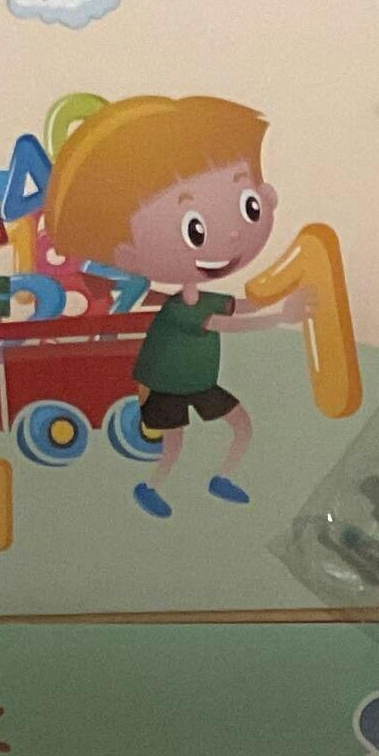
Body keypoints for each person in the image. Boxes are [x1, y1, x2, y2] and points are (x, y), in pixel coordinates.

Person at [37, 91, 316, 518]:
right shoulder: (180, 307)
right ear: (127, 254)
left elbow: (236, 307)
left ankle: (222, 477)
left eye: (249, 204)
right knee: (174, 444)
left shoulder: (202, 295)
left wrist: (282, 296)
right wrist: (281, 317)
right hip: (167, 385)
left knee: (240, 425)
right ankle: (152, 487)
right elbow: (222, 325)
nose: (232, 235)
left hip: (199, 382)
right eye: (196, 230)